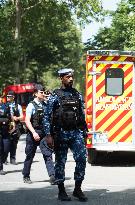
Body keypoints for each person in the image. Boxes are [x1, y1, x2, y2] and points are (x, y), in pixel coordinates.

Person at [43, 68, 88, 201]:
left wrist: (84, 131)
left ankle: (77, 189)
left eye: (72, 77)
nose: (71, 79)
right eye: (67, 77)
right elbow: (46, 116)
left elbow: (81, 114)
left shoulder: (77, 94)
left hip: (75, 133)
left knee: (81, 159)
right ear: (61, 78)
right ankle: (61, 190)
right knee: (60, 162)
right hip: (61, 133)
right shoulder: (55, 96)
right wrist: (48, 135)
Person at [22, 84, 55, 184]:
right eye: (41, 92)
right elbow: (27, 120)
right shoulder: (31, 105)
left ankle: (52, 175)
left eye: (44, 92)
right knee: (29, 155)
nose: (43, 93)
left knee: (48, 155)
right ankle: (26, 175)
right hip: (33, 133)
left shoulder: (45, 104)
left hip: (44, 134)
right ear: (36, 94)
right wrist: (33, 132)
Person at [6, 90, 23, 165]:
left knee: (14, 143)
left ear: (13, 97)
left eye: (9, 96)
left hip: (15, 127)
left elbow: (22, 116)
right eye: (7, 96)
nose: (8, 97)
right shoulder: (4, 105)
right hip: (5, 127)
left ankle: (13, 159)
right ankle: (4, 158)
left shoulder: (18, 106)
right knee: (5, 143)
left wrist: (17, 118)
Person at [0, 94, 11, 174]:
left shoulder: (6, 106)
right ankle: (1, 168)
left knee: (6, 149)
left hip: (6, 131)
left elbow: (9, 118)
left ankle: (3, 160)